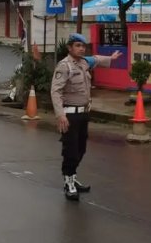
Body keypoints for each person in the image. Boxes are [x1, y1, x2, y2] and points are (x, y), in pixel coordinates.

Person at [51, 32, 122, 201]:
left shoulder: (84, 63)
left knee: (81, 149)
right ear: (70, 48)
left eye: (83, 46)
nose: (81, 49)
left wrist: (110, 58)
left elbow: (96, 59)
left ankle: (73, 179)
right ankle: (68, 182)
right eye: (78, 45)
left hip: (83, 114)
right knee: (71, 151)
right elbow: (55, 91)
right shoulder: (64, 66)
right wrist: (60, 115)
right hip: (69, 116)